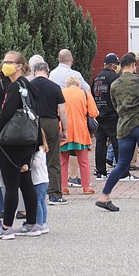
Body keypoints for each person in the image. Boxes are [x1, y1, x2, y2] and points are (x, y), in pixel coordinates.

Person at [95, 54, 139, 212]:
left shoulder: (115, 84)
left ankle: (104, 196)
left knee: (122, 164)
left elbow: (114, 104)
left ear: (120, 66)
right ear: (133, 65)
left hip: (123, 126)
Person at [0, 51, 41, 239]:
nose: (5, 64)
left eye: (10, 62)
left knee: (11, 185)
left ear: (19, 65)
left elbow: (4, 115)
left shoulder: (13, 87)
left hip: (11, 142)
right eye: (4, 61)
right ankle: (32, 223)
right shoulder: (28, 84)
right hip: (27, 139)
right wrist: (37, 143)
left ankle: (7, 226)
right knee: (26, 181)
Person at [92, 53, 139, 181]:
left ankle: (100, 171)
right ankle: (123, 172)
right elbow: (118, 95)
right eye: (117, 64)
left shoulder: (96, 78)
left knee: (100, 143)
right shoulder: (114, 77)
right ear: (112, 64)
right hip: (112, 114)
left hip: (99, 114)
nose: (118, 66)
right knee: (118, 142)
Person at [29, 61, 69, 206]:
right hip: (51, 122)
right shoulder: (55, 87)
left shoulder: (28, 86)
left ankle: (31, 192)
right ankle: (54, 194)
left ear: (34, 71)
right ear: (48, 71)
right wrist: (64, 129)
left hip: (33, 123)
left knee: (31, 157)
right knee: (53, 159)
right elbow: (63, 111)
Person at [49, 48, 88, 187]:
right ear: (71, 60)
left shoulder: (52, 74)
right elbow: (87, 89)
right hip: (77, 120)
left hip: (55, 115)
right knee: (80, 154)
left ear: (58, 60)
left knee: (60, 156)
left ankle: (61, 185)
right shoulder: (74, 74)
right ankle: (79, 180)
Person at [61, 76, 98, 194]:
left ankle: (63, 187)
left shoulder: (61, 93)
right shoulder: (85, 94)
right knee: (84, 161)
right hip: (80, 131)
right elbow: (93, 113)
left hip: (64, 131)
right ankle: (86, 187)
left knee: (63, 162)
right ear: (79, 84)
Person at [31, 130, 50, 234]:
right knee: (42, 202)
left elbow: (36, 164)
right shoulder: (43, 150)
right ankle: (43, 222)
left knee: (37, 202)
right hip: (44, 179)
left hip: (38, 180)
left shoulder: (39, 151)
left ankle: (39, 223)